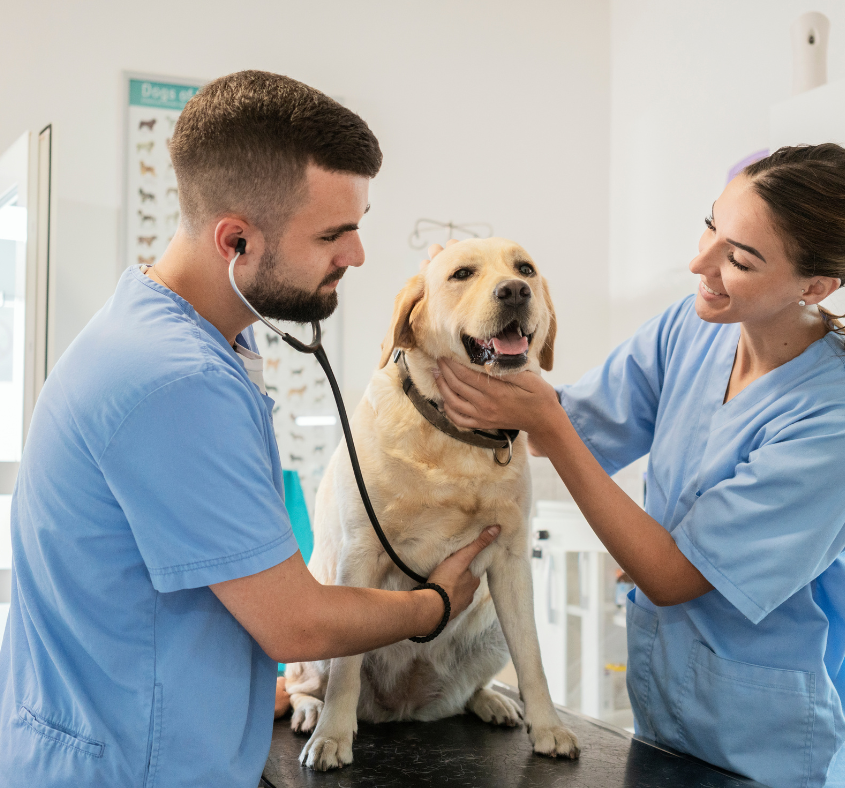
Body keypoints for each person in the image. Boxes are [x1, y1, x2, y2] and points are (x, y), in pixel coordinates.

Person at [0, 70, 500, 788]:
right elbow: (297, 624)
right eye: (335, 234)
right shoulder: (175, 381)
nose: (356, 255)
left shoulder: (184, 333)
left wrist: (234, 688)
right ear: (235, 241)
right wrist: (435, 605)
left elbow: (174, 586)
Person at [433, 143, 845, 788]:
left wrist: (541, 418)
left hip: (766, 752)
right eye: (712, 224)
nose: (700, 263)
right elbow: (569, 426)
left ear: (817, 286)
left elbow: (671, 575)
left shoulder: (839, 425)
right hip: (665, 724)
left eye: (738, 259)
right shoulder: (693, 330)